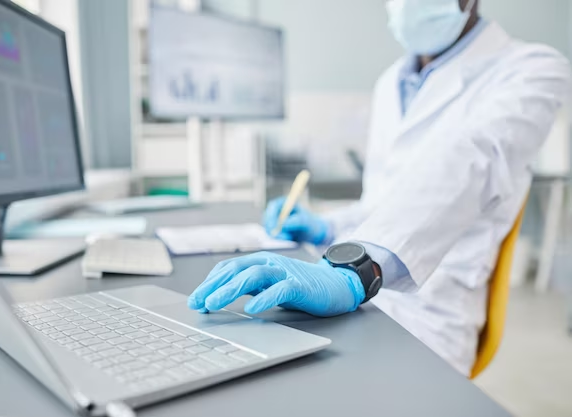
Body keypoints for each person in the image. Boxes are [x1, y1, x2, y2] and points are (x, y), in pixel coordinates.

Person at [187, 0, 572, 375]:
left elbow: (470, 160)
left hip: (430, 315)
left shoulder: (533, 69)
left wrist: (357, 268)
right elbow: (383, 202)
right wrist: (327, 227)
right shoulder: (390, 81)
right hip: (359, 294)